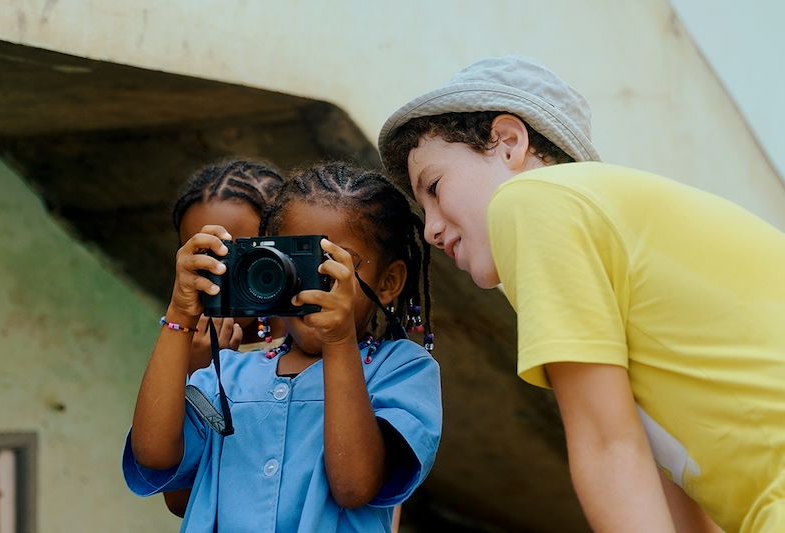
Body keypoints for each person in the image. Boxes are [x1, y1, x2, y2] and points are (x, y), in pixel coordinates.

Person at [378, 55, 785, 532]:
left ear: (508, 143)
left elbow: (606, 443)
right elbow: (670, 489)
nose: (430, 229)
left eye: (435, 187)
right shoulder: (604, 237)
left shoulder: (530, 202)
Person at [123, 161, 442, 532]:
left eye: (333, 265)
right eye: (297, 262)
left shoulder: (402, 369)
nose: (310, 284)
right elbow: (155, 457)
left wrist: (338, 342)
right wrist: (180, 312)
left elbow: (353, 486)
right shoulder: (227, 374)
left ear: (388, 282)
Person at [162, 158, 287, 517]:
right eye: (203, 255)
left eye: (241, 253)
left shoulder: (326, 349)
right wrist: (196, 374)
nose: (221, 270)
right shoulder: (180, 351)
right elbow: (180, 500)